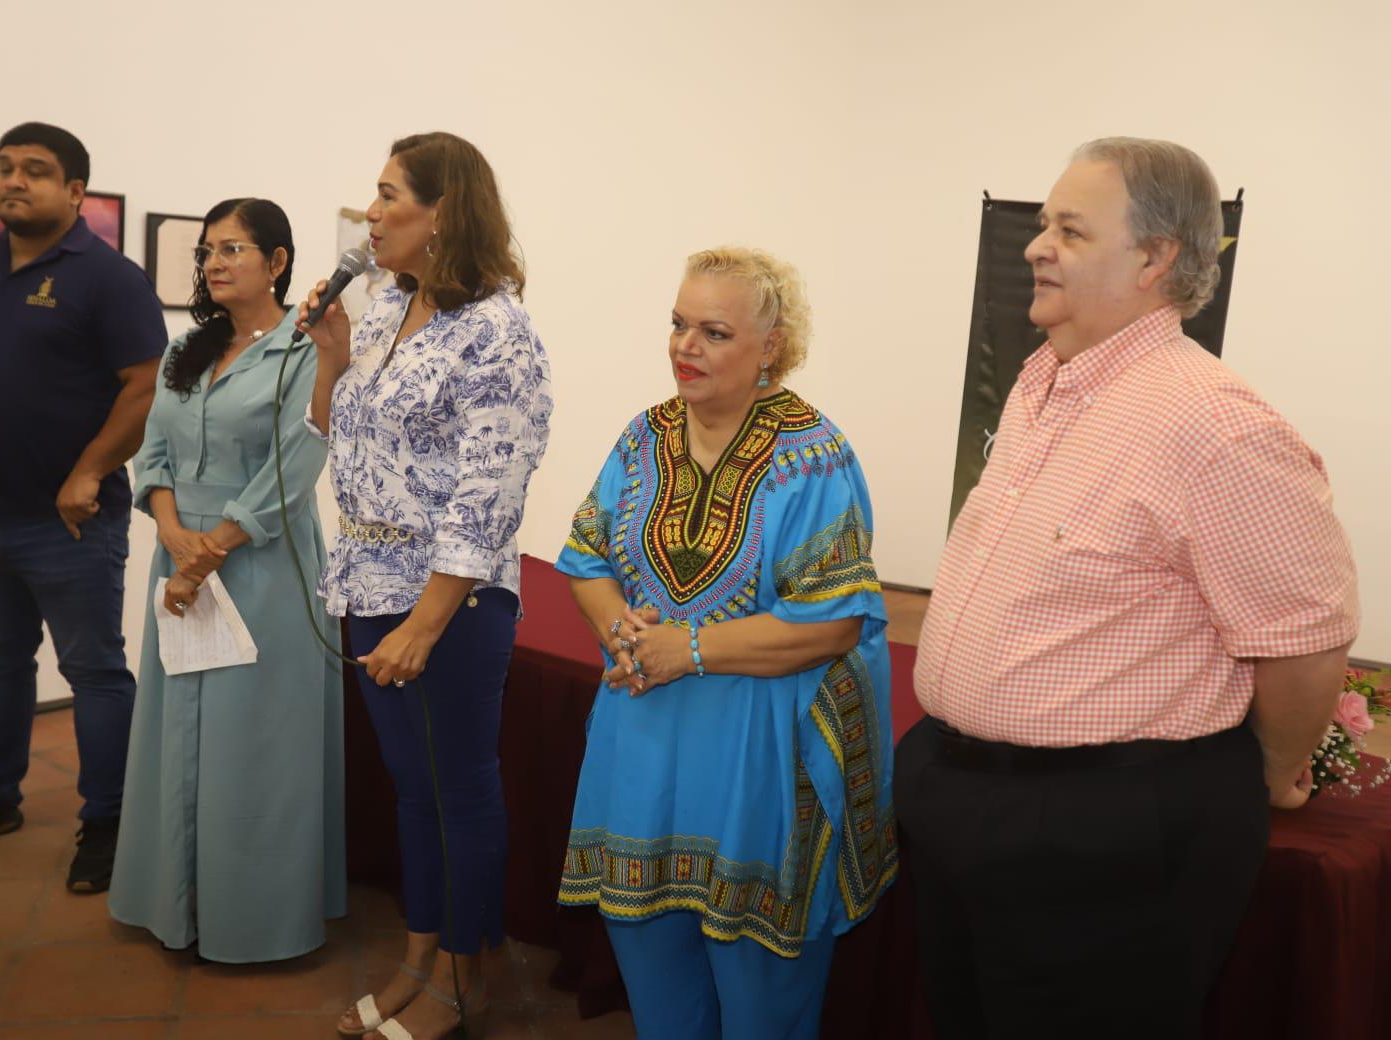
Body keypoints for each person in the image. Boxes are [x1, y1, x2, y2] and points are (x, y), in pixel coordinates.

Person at [903, 137, 1361, 1038]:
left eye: (1070, 230)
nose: (1035, 246)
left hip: (1100, 837)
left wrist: (1261, 774)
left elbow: (1307, 642)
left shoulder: (1216, 426)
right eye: (1041, 224)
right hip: (967, 800)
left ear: (1155, 259)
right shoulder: (1044, 382)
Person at [555, 247, 898, 1040]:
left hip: (762, 757)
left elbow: (835, 621)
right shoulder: (644, 437)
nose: (686, 347)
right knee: (651, 967)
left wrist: (692, 649)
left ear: (770, 344)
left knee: (760, 996)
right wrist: (621, 628)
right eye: (679, 325)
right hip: (641, 740)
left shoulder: (813, 456)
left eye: (713, 331)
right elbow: (585, 558)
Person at [298, 131, 552, 1039]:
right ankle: (417, 959)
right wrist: (331, 356)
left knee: (462, 792)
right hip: (367, 580)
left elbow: (488, 499)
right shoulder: (377, 312)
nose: (370, 212)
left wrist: (424, 625)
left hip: (451, 601)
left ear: (444, 213)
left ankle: (462, 981)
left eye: (389, 194)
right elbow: (344, 439)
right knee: (413, 789)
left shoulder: (500, 334)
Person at [0, 122, 166, 892]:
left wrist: (89, 471)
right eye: (5, 169)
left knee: (92, 671)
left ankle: (110, 821)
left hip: (70, 524)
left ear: (76, 191)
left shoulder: (109, 277)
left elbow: (146, 386)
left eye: (36, 171)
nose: (14, 182)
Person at [106, 198, 347, 962]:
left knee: (254, 743)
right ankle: (171, 903)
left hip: (264, 564)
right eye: (207, 250)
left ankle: (255, 920)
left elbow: (300, 459)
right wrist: (174, 534)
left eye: (234, 249)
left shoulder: (306, 351)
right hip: (180, 560)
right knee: (175, 728)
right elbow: (154, 452)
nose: (213, 262)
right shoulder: (187, 348)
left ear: (278, 263)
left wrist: (212, 549)